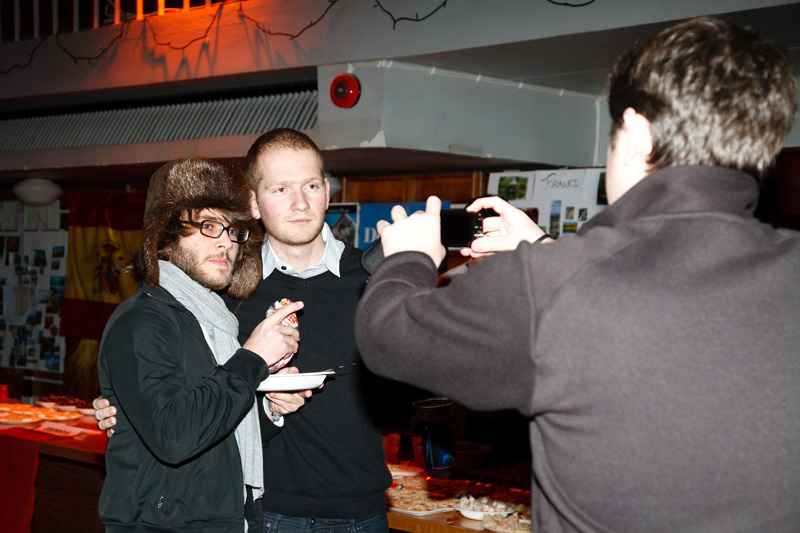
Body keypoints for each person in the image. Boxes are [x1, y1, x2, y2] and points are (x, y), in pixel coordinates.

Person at [354, 17, 799, 532]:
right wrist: (546, 251)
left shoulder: (551, 285)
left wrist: (409, 256)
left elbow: (387, 335)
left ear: (636, 133)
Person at [96, 129, 392, 532]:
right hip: (264, 511)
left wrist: (269, 409)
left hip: (354, 510)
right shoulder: (229, 293)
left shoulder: (374, 277)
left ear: (326, 191)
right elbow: (176, 414)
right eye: (280, 189)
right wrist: (127, 407)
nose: (299, 203)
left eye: (309, 186)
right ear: (254, 202)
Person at [97, 158, 303, 532]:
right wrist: (252, 357)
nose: (226, 241)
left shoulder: (216, 321)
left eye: (234, 230)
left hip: (227, 518)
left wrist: (269, 410)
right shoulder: (142, 321)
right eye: (208, 226)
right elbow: (175, 436)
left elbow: (219, 435)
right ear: (166, 238)